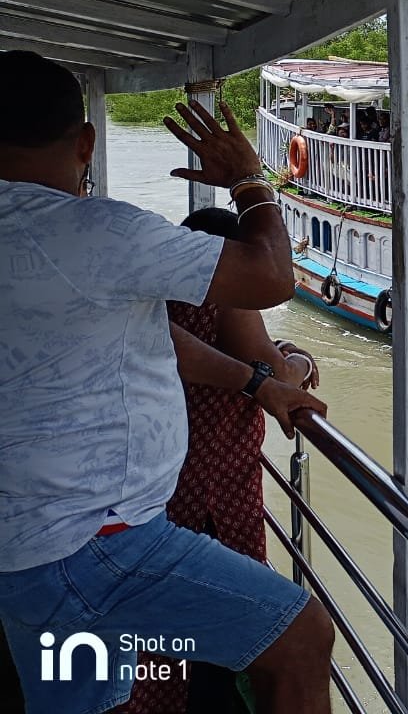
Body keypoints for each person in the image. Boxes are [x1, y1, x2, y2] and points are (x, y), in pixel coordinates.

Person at [0, 51, 334, 714]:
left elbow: (154, 336)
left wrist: (254, 384)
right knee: (300, 639)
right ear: (86, 141)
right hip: (90, 542)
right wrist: (249, 182)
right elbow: (270, 274)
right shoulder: (99, 231)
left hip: (32, 537)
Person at [118, 208, 321, 714]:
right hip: (216, 496)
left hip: (158, 489)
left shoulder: (158, 304)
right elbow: (276, 373)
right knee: (243, 630)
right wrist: (300, 359)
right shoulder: (225, 300)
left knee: (163, 630)